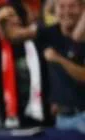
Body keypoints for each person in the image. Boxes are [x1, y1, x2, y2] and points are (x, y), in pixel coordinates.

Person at [37, 0, 85, 131]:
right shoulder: (47, 34)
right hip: (62, 118)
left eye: (72, 6)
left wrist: (58, 59)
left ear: (82, 8)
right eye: (62, 6)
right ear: (55, 10)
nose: (67, 11)